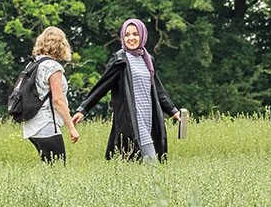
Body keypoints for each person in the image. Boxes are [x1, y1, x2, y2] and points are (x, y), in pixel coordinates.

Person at [74, 18, 183, 163]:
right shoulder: (120, 60)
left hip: (149, 118)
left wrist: (173, 111)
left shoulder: (148, 59)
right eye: (127, 35)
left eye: (135, 34)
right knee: (150, 161)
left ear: (143, 35)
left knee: (137, 163)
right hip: (131, 118)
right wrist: (83, 109)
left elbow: (157, 89)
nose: (131, 38)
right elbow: (102, 86)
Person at [19, 26, 83, 163]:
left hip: (32, 126)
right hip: (46, 124)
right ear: (61, 45)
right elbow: (58, 99)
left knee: (50, 172)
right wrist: (71, 128)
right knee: (58, 171)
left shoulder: (33, 64)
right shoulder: (53, 67)